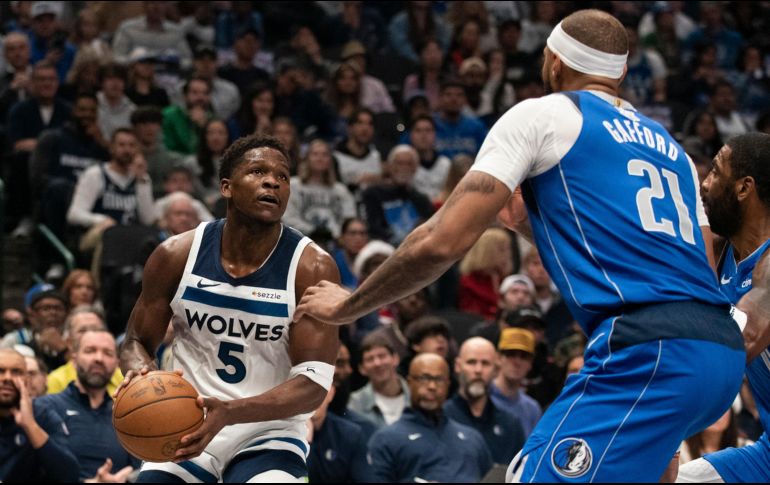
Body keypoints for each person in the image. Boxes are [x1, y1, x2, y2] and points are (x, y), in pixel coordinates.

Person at [294, 10, 745, 482]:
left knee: (528, 474)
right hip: (717, 354)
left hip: (649, 349)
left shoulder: (544, 113)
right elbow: (694, 257)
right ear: (622, 73)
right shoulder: (669, 145)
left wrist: (347, 304)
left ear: (552, 62)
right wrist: (535, 225)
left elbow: (439, 242)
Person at [116, 135, 340, 482]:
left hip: (268, 433)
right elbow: (134, 340)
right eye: (257, 171)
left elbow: (313, 384)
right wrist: (142, 375)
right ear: (226, 187)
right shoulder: (176, 255)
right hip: (185, 422)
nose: (272, 181)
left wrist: (231, 412)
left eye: (282, 176)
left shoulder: (311, 267)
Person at [677, 133, 770, 482]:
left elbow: (743, 338)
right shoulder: (720, 253)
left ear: (744, 188)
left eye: (715, 171)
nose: (705, 182)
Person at [367, 353, 492, 482]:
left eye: (439, 380)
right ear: (409, 382)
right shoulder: (385, 439)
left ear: (448, 385)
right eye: (424, 378)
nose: (432, 386)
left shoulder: (473, 438)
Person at [37, 330, 138, 481]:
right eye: (90, 351)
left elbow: (139, 469)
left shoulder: (126, 415)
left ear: (117, 362)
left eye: (108, 353)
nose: (99, 358)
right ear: (74, 358)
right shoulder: (45, 406)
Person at [0, 348, 80, 482]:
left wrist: (30, 425)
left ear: (27, 380)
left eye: (16, 372)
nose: (7, 378)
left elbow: (70, 476)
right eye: (0, 371)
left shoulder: (42, 413)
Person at [444, 337, 526, 465]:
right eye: (471, 362)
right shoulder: (441, 418)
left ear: (496, 370)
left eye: (485, 363)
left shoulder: (510, 424)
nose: (478, 370)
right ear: (458, 366)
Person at [46, 307, 123, 396]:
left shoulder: (123, 378)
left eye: (96, 330)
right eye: (82, 331)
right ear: (69, 342)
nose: (90, 335)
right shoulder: (56, 380)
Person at [306, 386, 371, 483]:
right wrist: (307, 442)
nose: (313, 398)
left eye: (319, 391)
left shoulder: (351, 434)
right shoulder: (282, 432)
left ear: (331, 393)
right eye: (306, 393)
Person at [348, 334, 409, 429]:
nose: (377, 363)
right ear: (361, 368)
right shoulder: (354, 404)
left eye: (382, 356)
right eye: (370, 359)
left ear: (395, 359)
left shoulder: (416, 395)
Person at [490, 327, 542, 437]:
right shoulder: (483, 398)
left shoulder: (532, 409)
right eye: (511, 354)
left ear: (530, 363)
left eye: (524, 356)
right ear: (498, 358)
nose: (517, 362)